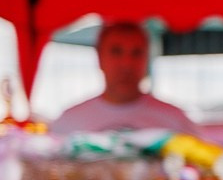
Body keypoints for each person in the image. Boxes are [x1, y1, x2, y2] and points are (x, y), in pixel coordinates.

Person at [49, 21, 198, 136]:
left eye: (136, 53)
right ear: (99, 57)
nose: (126, 64)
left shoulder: (177, 122)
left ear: (147, 59)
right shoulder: (67, 124)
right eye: (116, 51)